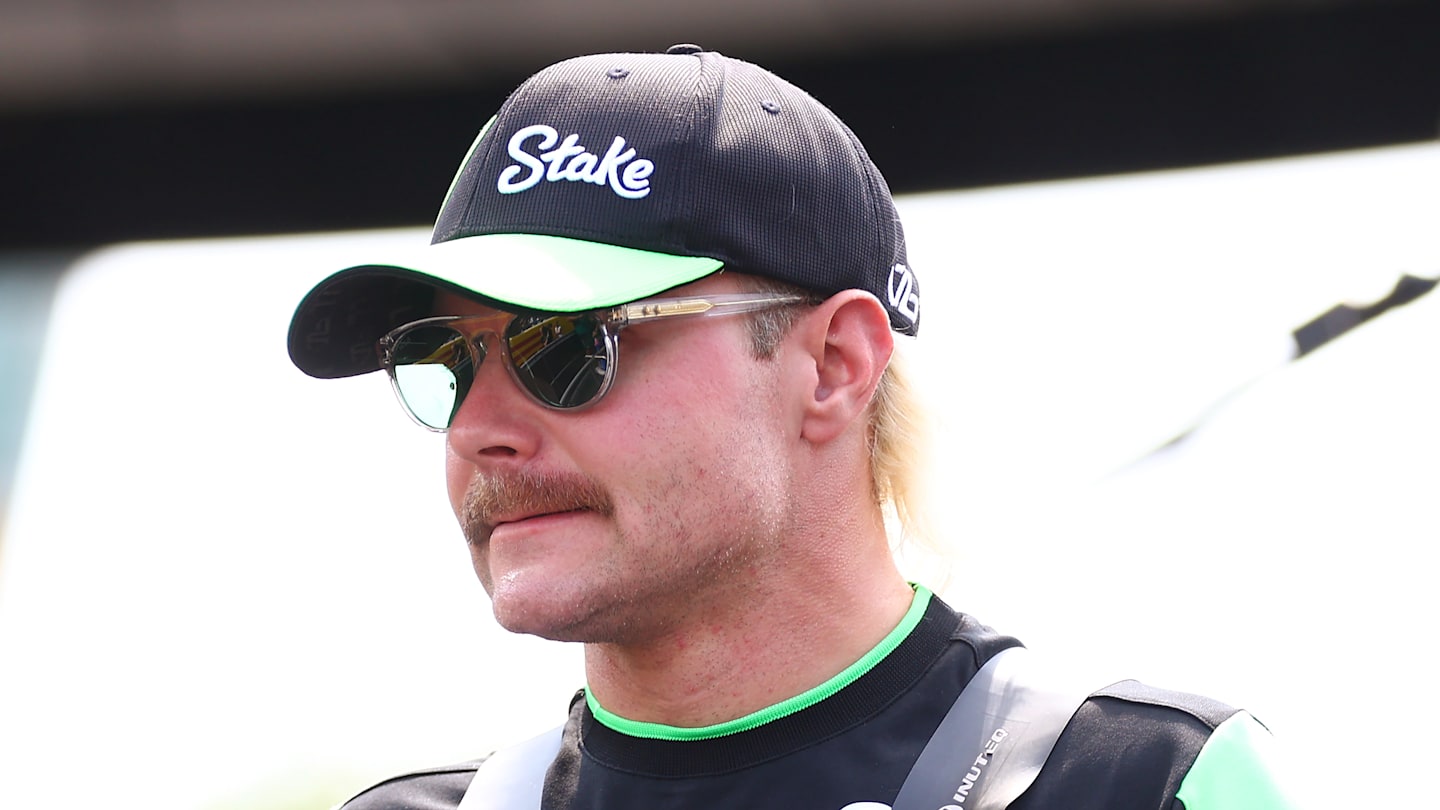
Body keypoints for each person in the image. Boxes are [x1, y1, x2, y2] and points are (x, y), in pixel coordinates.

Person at [287, 44, 1299, 810]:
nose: (481, 428)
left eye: (567, 348)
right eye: (446, 363)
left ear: (834, 365)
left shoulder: (1143, 783)